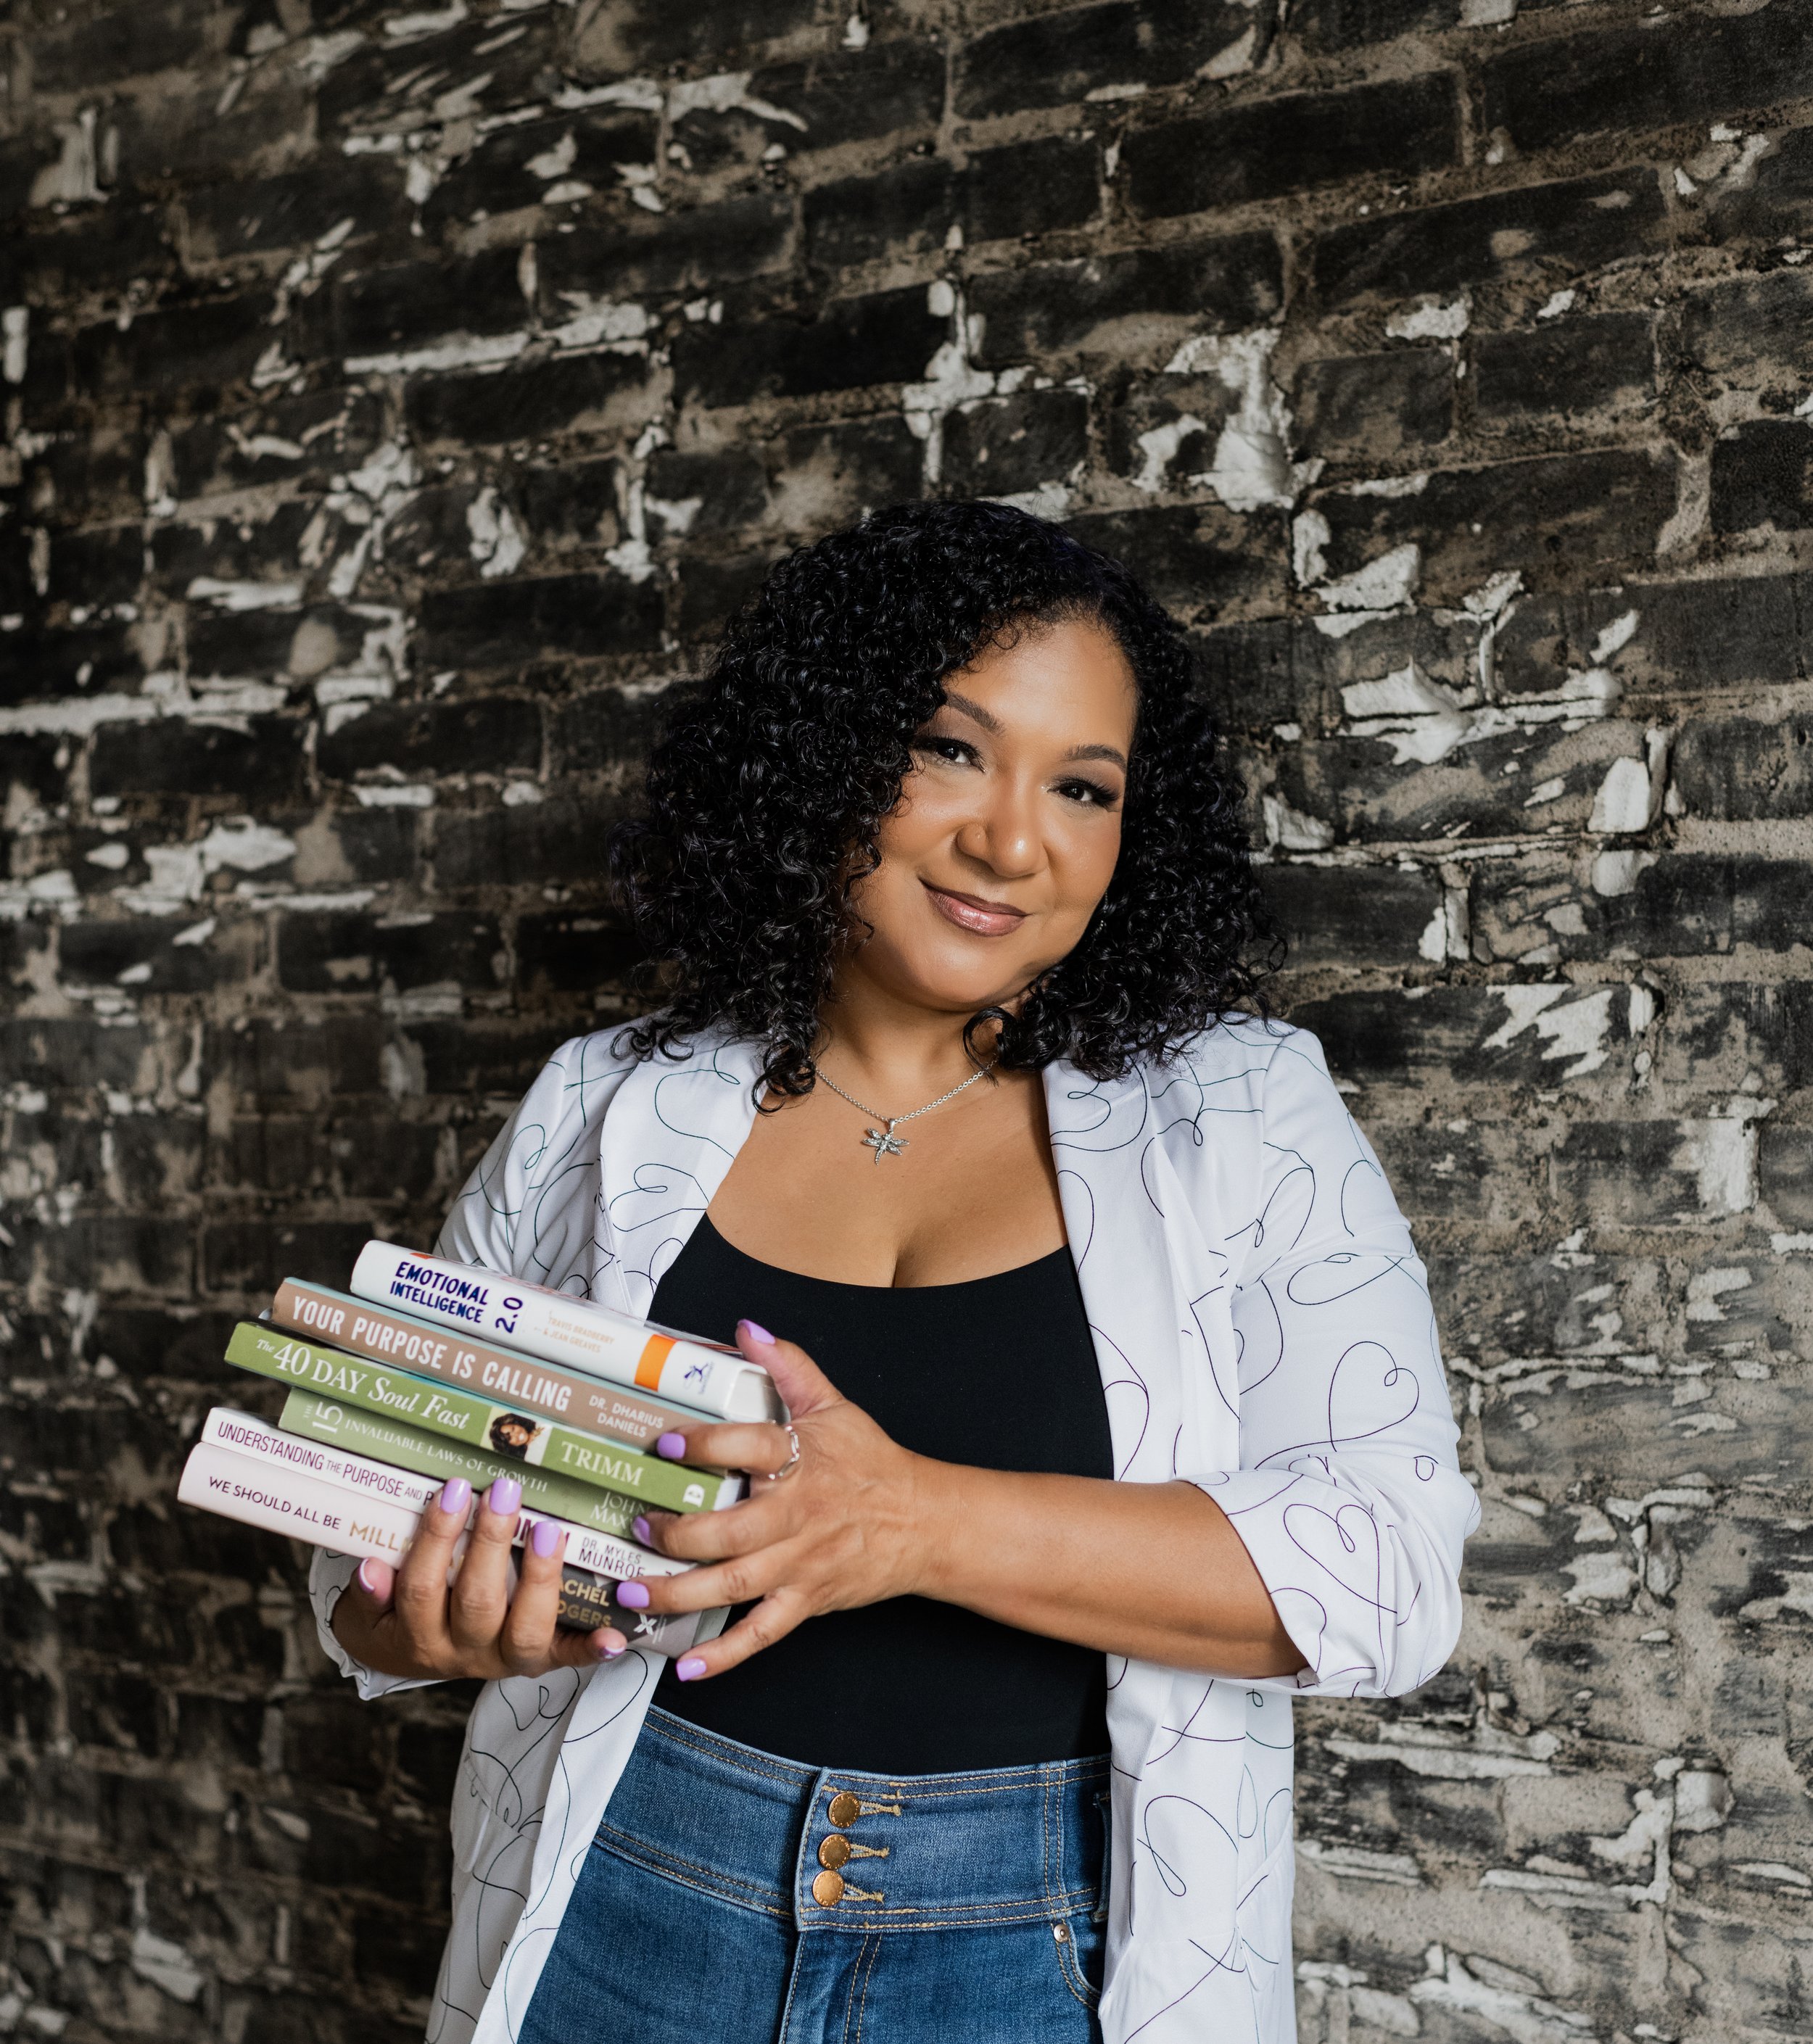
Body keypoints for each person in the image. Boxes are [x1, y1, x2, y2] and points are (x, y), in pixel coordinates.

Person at [310, 498, 1479, 2044]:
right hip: (624, 1884)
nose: (1012, 841)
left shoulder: (1239, 1110)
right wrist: (431, 1622)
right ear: (821, 753)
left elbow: (1388, 1577)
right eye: (950, 750)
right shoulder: (605, 1102)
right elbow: (361, 1570)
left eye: (1081, 787)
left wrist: (905, 1521)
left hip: (1034, 1944)